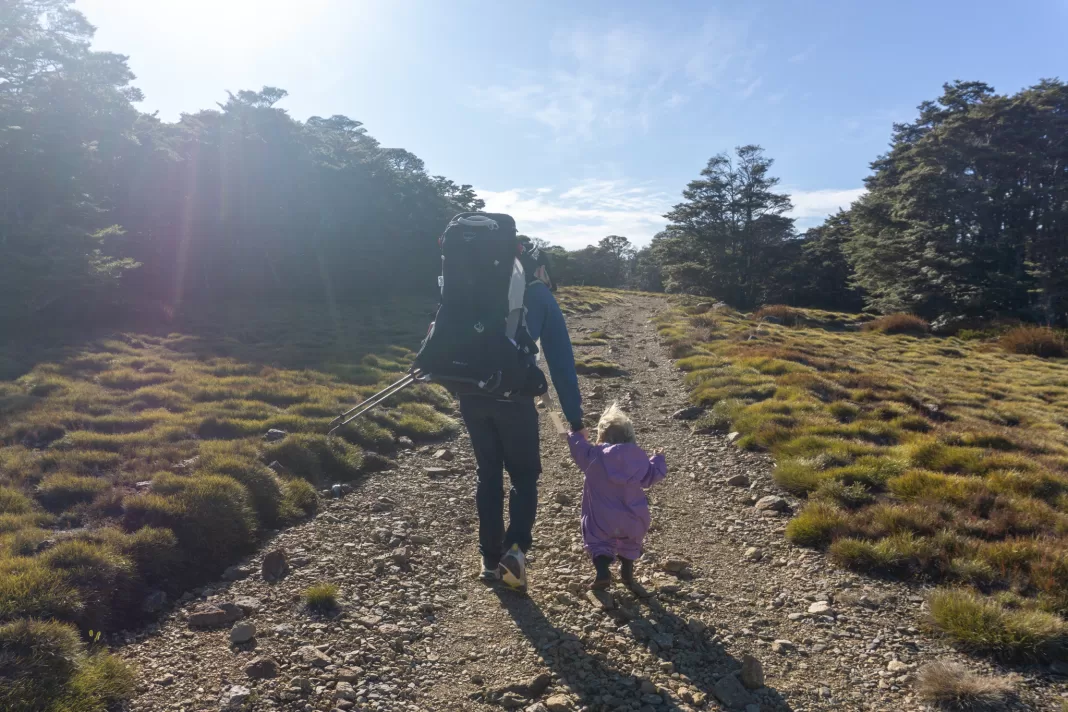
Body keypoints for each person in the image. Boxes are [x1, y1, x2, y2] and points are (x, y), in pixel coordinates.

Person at [460, 238, 584, 590]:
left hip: (472, 394)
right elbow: (561, 363)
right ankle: (514, 552)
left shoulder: (471, 287)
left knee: (488, 474)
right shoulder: (540, 295)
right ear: (539, 267)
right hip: (515, 400)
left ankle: (488, 558)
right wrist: (574, 420)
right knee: (524, 476)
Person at [566, 403, 666, 590]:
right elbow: (652, 476)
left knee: (598, 541)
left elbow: (578, 447)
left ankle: (603, 572)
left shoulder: (593, 456)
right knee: (630, 545)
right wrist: (658, 458)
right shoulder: (639, 459)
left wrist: (574, 434)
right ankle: (627, 575)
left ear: (601, 435)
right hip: (634, 516)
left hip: (601, 516)